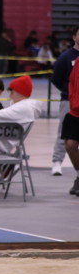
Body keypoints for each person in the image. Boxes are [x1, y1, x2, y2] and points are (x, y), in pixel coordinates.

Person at [50, 26, 79, 176]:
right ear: (74, 37)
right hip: (68, 102)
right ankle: (57, 162)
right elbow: (56, 79)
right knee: (64, 133)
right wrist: (70, 93)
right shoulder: (66, 57)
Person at [62, 54, 79, 196]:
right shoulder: (78, 61)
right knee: (70, 145)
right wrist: (73, 100)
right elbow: (72, 82)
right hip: (75, 112)